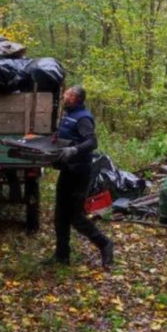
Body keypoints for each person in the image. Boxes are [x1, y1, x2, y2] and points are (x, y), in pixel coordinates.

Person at [48, 86, 114, 269]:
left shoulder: (83, 117)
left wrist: (74, 150)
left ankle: (105, 244)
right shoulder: (67, 114)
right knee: (60, 215)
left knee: (76, 217)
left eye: (68, 94)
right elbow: (69, 135)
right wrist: (57, 138)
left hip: (80, 172)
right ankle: (62, 256)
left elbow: (92, 142)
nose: (64, 96)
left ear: (76, 98)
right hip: (67, 170)